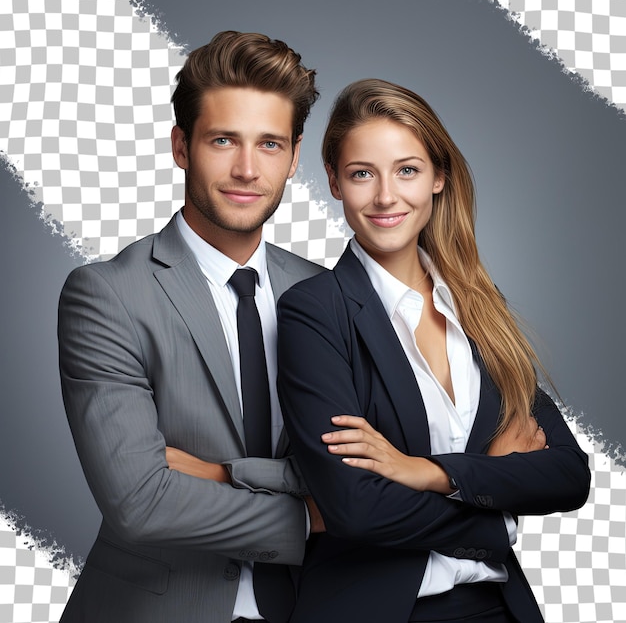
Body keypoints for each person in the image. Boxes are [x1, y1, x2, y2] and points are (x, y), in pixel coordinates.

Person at [276, 79, 591, 623]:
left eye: (407, 170)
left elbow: (568, 474)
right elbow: (355, 509)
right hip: (379, 610)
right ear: (333, 181)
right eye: (360, 174)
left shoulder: (479, 306)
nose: (384, 197)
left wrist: (432, 473)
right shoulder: (314, 310)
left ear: (439, 176)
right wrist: (497, 509)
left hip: (499, 607)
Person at [57, 31, 325, 623]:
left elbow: (357, 471)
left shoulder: (324, 291)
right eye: (224, 140)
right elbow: (141, 501)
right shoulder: (108, 295)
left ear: (295, 156)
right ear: (182, 146)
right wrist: (311, 515)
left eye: (270, 144)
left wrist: (222, 473)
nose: (247, 169)